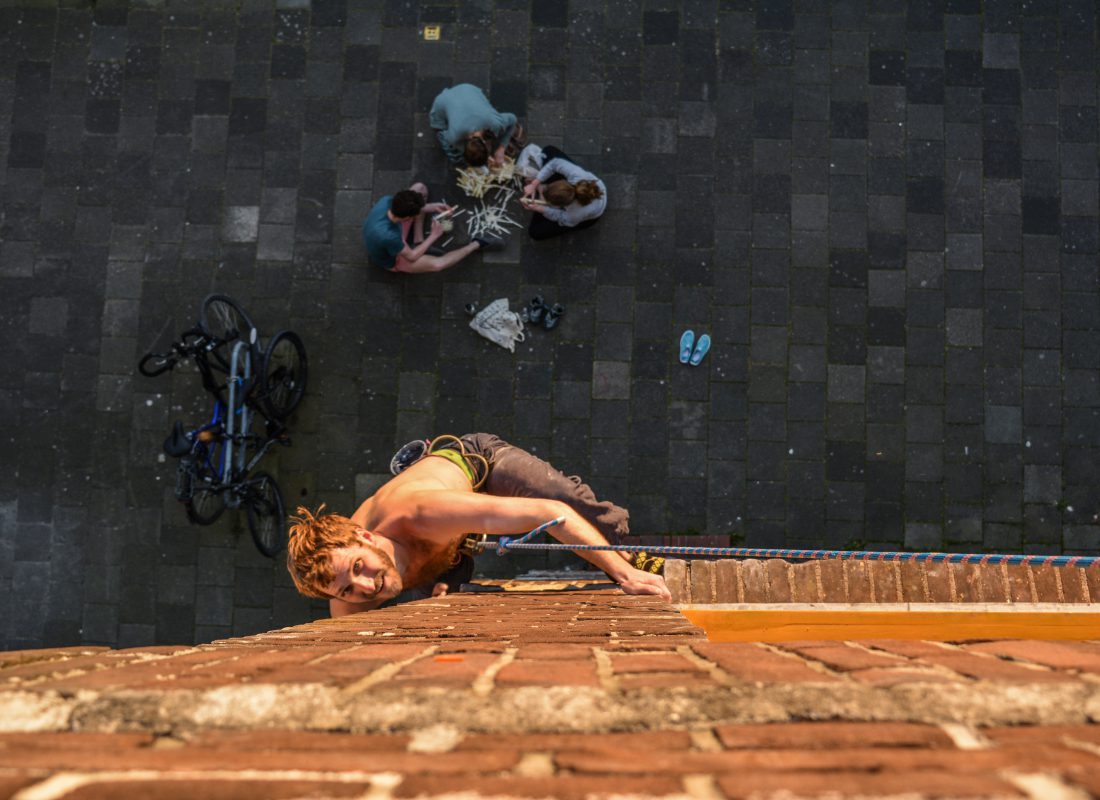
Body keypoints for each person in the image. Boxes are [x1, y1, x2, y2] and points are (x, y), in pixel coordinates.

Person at [286, 434, 671, 617]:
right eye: (348, 589)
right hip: (445, 541)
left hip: (477, 466)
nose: (367, 587)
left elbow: (548, 513)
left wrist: (623, 574)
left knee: (579, 510)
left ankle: (620, 552)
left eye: (359, 568)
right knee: (442, 600)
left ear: (365, 537)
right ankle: (454, 563)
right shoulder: (341, 585)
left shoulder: (421, 514)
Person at [362, 182, 503, 273]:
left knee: (419, 188)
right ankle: (477, 243)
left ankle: (418, 240)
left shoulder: (387, 201)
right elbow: (411, 257)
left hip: (393, 235)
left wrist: (432, 207)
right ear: (408, 218)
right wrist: (434, 235)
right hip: (393, 259)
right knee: (438, 265)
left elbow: (415, 204)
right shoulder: (390, 236)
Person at [521, 146, 606, 241]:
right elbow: (555, 163)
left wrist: (541, 208)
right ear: (564, 182)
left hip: (587, 217)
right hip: (585, 194)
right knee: (549, 150)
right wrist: (534, 183)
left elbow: (560, 217)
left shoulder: (575, 214)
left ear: (561, 206)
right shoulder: (577, 175)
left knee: (535, 232)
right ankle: (544, 189)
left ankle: (544, 195)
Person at [429, 84, 520, 168]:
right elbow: (443, 137)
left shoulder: (495, 124)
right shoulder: (454, 138)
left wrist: (501, 148)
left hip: (464, 91)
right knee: (450, 150)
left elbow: (513, 119)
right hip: (461, 91)